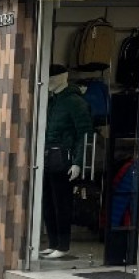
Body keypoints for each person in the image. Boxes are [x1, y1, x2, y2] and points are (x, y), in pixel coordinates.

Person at [41, 64, 94, 259]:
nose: (48, 83)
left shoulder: (74, 102)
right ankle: (54, 243)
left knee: (61, 203)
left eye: (52, 78)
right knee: (47, 202)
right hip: (47, 157)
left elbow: (85, 134)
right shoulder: (51, 101)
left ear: (61, 78)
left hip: (64, 158)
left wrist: (78, 162)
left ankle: (63, 245)